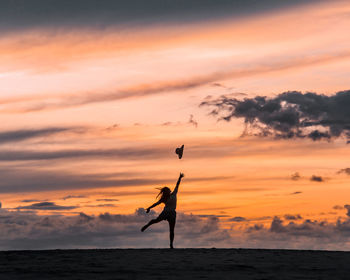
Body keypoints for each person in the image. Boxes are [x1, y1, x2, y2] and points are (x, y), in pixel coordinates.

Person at [141, 172, 184, 249]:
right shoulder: (163, 199)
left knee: (172, 229)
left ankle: (171, 244)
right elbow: (156, 204)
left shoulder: (174, 194)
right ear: (165, 192)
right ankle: (147, 225)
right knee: (156, 220)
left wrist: (180, 178)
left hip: (173, 213)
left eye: (168, 190)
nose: (168, 191)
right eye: (166, 191)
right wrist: (149, 208)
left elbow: (177, 185)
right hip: (166, 212)